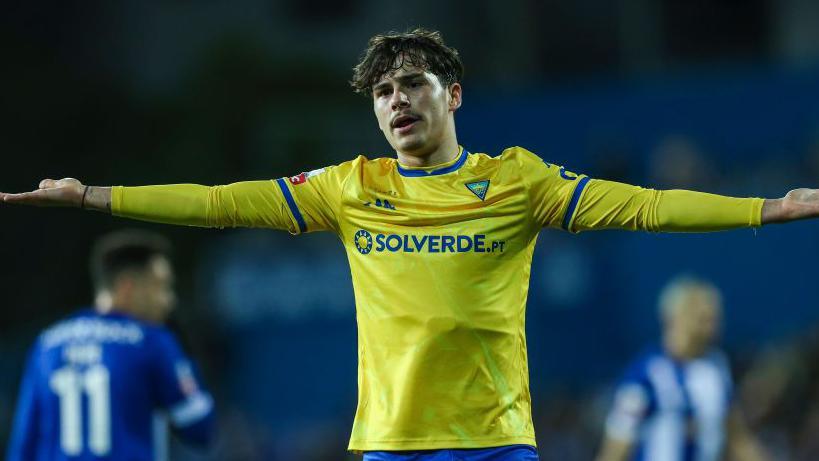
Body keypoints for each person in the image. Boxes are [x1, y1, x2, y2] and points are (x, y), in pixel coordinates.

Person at [2, 28, 819, 461]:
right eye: (383, 91)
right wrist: (94, 196)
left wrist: (763, 207)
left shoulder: (517, 180)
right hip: (390, 447)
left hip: (497, 443)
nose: (394, 101)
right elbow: (220, 203)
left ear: (452, 94)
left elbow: (643, 207)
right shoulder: (348, 187)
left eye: (411, 84)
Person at [6, 230, 215, 461]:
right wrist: (185, 358)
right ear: (127, 287)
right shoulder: (151, 341)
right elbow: (200, 428)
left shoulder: (47, 344)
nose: (169, 300)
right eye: (161, 286)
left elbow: (23, 446)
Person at [596, 276, 770, 461]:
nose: (714, 326)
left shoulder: (716, 368)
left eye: (715, 318)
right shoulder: (645, 374)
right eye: (704, 319)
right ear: (676, 318)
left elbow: (737, 436)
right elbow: (615, 448)